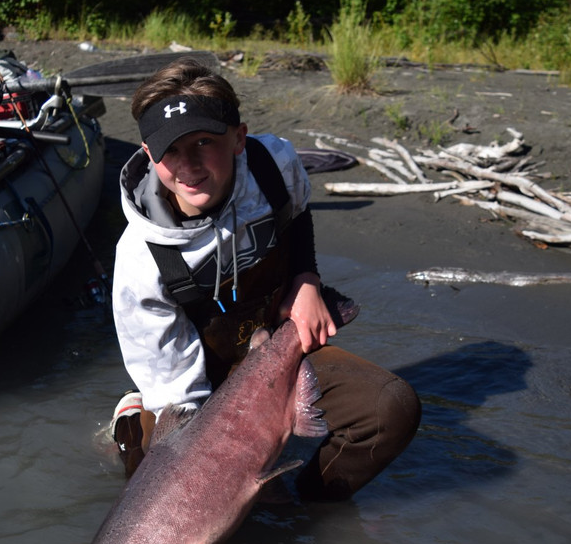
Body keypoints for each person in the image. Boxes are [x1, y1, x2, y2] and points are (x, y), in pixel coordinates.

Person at [109, 56, 420, 501]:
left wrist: (306, 279)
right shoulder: (139, 261)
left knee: (391, 408)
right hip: (184, 380)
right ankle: (130, 421)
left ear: (239, 138)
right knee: (161, 496)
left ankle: (309, 512)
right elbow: (181, 402)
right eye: (170, 150)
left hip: (270, 349)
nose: (188, 165)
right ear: (147, 153)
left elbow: (297, 214)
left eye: (203, 142)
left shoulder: (273, 164)